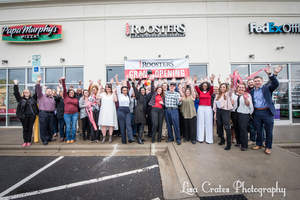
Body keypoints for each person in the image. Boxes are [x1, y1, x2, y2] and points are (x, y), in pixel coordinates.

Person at [251, 65, 282, 155]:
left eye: (258, 81)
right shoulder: (252, 91)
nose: (257, 82)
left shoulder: (267, 88)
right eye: (255, 81)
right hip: (257, 112)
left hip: (267, 112)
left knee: (268, 131)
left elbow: (275, 84)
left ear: (262, 81)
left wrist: (272, 74)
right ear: (253, 82)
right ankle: (259, 144)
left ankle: (268, 147)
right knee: (258, 130)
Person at [13, 80, 38, 147]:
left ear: (29, 93)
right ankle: (25, 141)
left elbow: (37, 92)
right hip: (24, 116)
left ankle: (29, 141)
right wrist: (15, 85)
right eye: (25, 92)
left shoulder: (33, 99)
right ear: (23, 93)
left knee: (30, 129)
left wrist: (37, 84)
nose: (26, 93)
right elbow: (16, 93)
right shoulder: (20, 99)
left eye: (27, 92)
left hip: (32, 116)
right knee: (25, 129)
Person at [232, 83, 254, 151]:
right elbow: (232, 103)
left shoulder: (247, 95)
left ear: (245, 88)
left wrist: (245, 99)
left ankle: (244, 145)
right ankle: (238, 142)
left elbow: (248, 104)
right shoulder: (234, 95)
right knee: (236, 128)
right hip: (235, 113)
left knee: (243, 129)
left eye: (242, 87)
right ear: (237, 88)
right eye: (239, 87)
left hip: (244, 113)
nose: (241, 88)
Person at [194, 75, 215, 144]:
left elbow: (212, 87)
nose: (204, 86)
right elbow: (196, 87)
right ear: (202, 86)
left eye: (206, 85)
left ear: (207, 86)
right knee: (200, 123)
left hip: (208, 108)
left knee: (208, 123)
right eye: (203, 85)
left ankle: (209, 139)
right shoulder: (200, 92)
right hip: (200, 108)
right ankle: (200, 138)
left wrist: (212, 81)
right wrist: (195, 81)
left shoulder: (210, 92)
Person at [35, 76, 56, 145]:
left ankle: (49, 138)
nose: (49, 92)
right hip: (43, 114)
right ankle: (44, 140)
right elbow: (38, 89)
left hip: (51, 114)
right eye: (48, 91)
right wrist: (38, 82)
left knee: (50, 127)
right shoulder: (41, 96)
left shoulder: (52, 98)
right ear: (45, 91)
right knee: (43, 127)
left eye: (50, 91)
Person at [213, 83, 233, 150]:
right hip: (218, 111)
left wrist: (232, 81)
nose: (222, 88)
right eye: (221, 87)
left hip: (225, 112)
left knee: (227, 127)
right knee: (219, 127)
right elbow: (214, 104)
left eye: (224, 87)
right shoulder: (217, 95)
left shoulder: (227, 94)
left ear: (226, 88)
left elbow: (231, 89)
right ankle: (222, 140)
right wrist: (215, 113)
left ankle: (229, 144)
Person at [115, 75, 135, 144]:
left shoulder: (129, 95)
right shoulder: (119, 95)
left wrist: (132, 81)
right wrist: (116, 78)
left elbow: (132, 88)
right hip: (121, 111)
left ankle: (130, 138)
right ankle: (123, 141)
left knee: (128, 124)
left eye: (126, 90)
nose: (125, 91)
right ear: (121, 91)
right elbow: (117, 85)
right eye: (123, 90)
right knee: (122, 126)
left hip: (127, 111)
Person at [61, 77, 79, 144]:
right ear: (68, 93)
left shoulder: (76, 99)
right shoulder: (66, 97)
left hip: (75, 114)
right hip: (67, 114)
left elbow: (76, 103)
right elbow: (64, 89)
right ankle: (68, 138)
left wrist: (70, 102)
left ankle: (73, 138)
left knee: (74, 127)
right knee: (68, 127)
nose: (71, 93)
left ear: (74, 93)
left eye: (73, 92)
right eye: (70, 92)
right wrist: (63, 81)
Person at [180, 80, 197, 144]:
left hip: (192, 114)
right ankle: (186, 138)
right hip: (185, 114)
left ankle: (193, 139)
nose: (187, 92)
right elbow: (180, 90)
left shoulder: (192, 97)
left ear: (190, 92)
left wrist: (191, 84)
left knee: (192, 127)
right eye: (186, 91)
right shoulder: (183, 97)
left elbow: (193, 90)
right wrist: (182, 83)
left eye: (188, 91)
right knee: (186, 127)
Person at [132, 80, 148, 144]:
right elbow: (135, 89)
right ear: (140, 91)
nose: (143, 91)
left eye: (144, 90)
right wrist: (133, 83)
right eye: (141, 90)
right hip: (139, 112)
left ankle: (140, 138)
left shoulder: (146, 97)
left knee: (140, 126)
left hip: (143, 113)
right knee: (141, 126)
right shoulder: (138, 96)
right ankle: (139, 139)